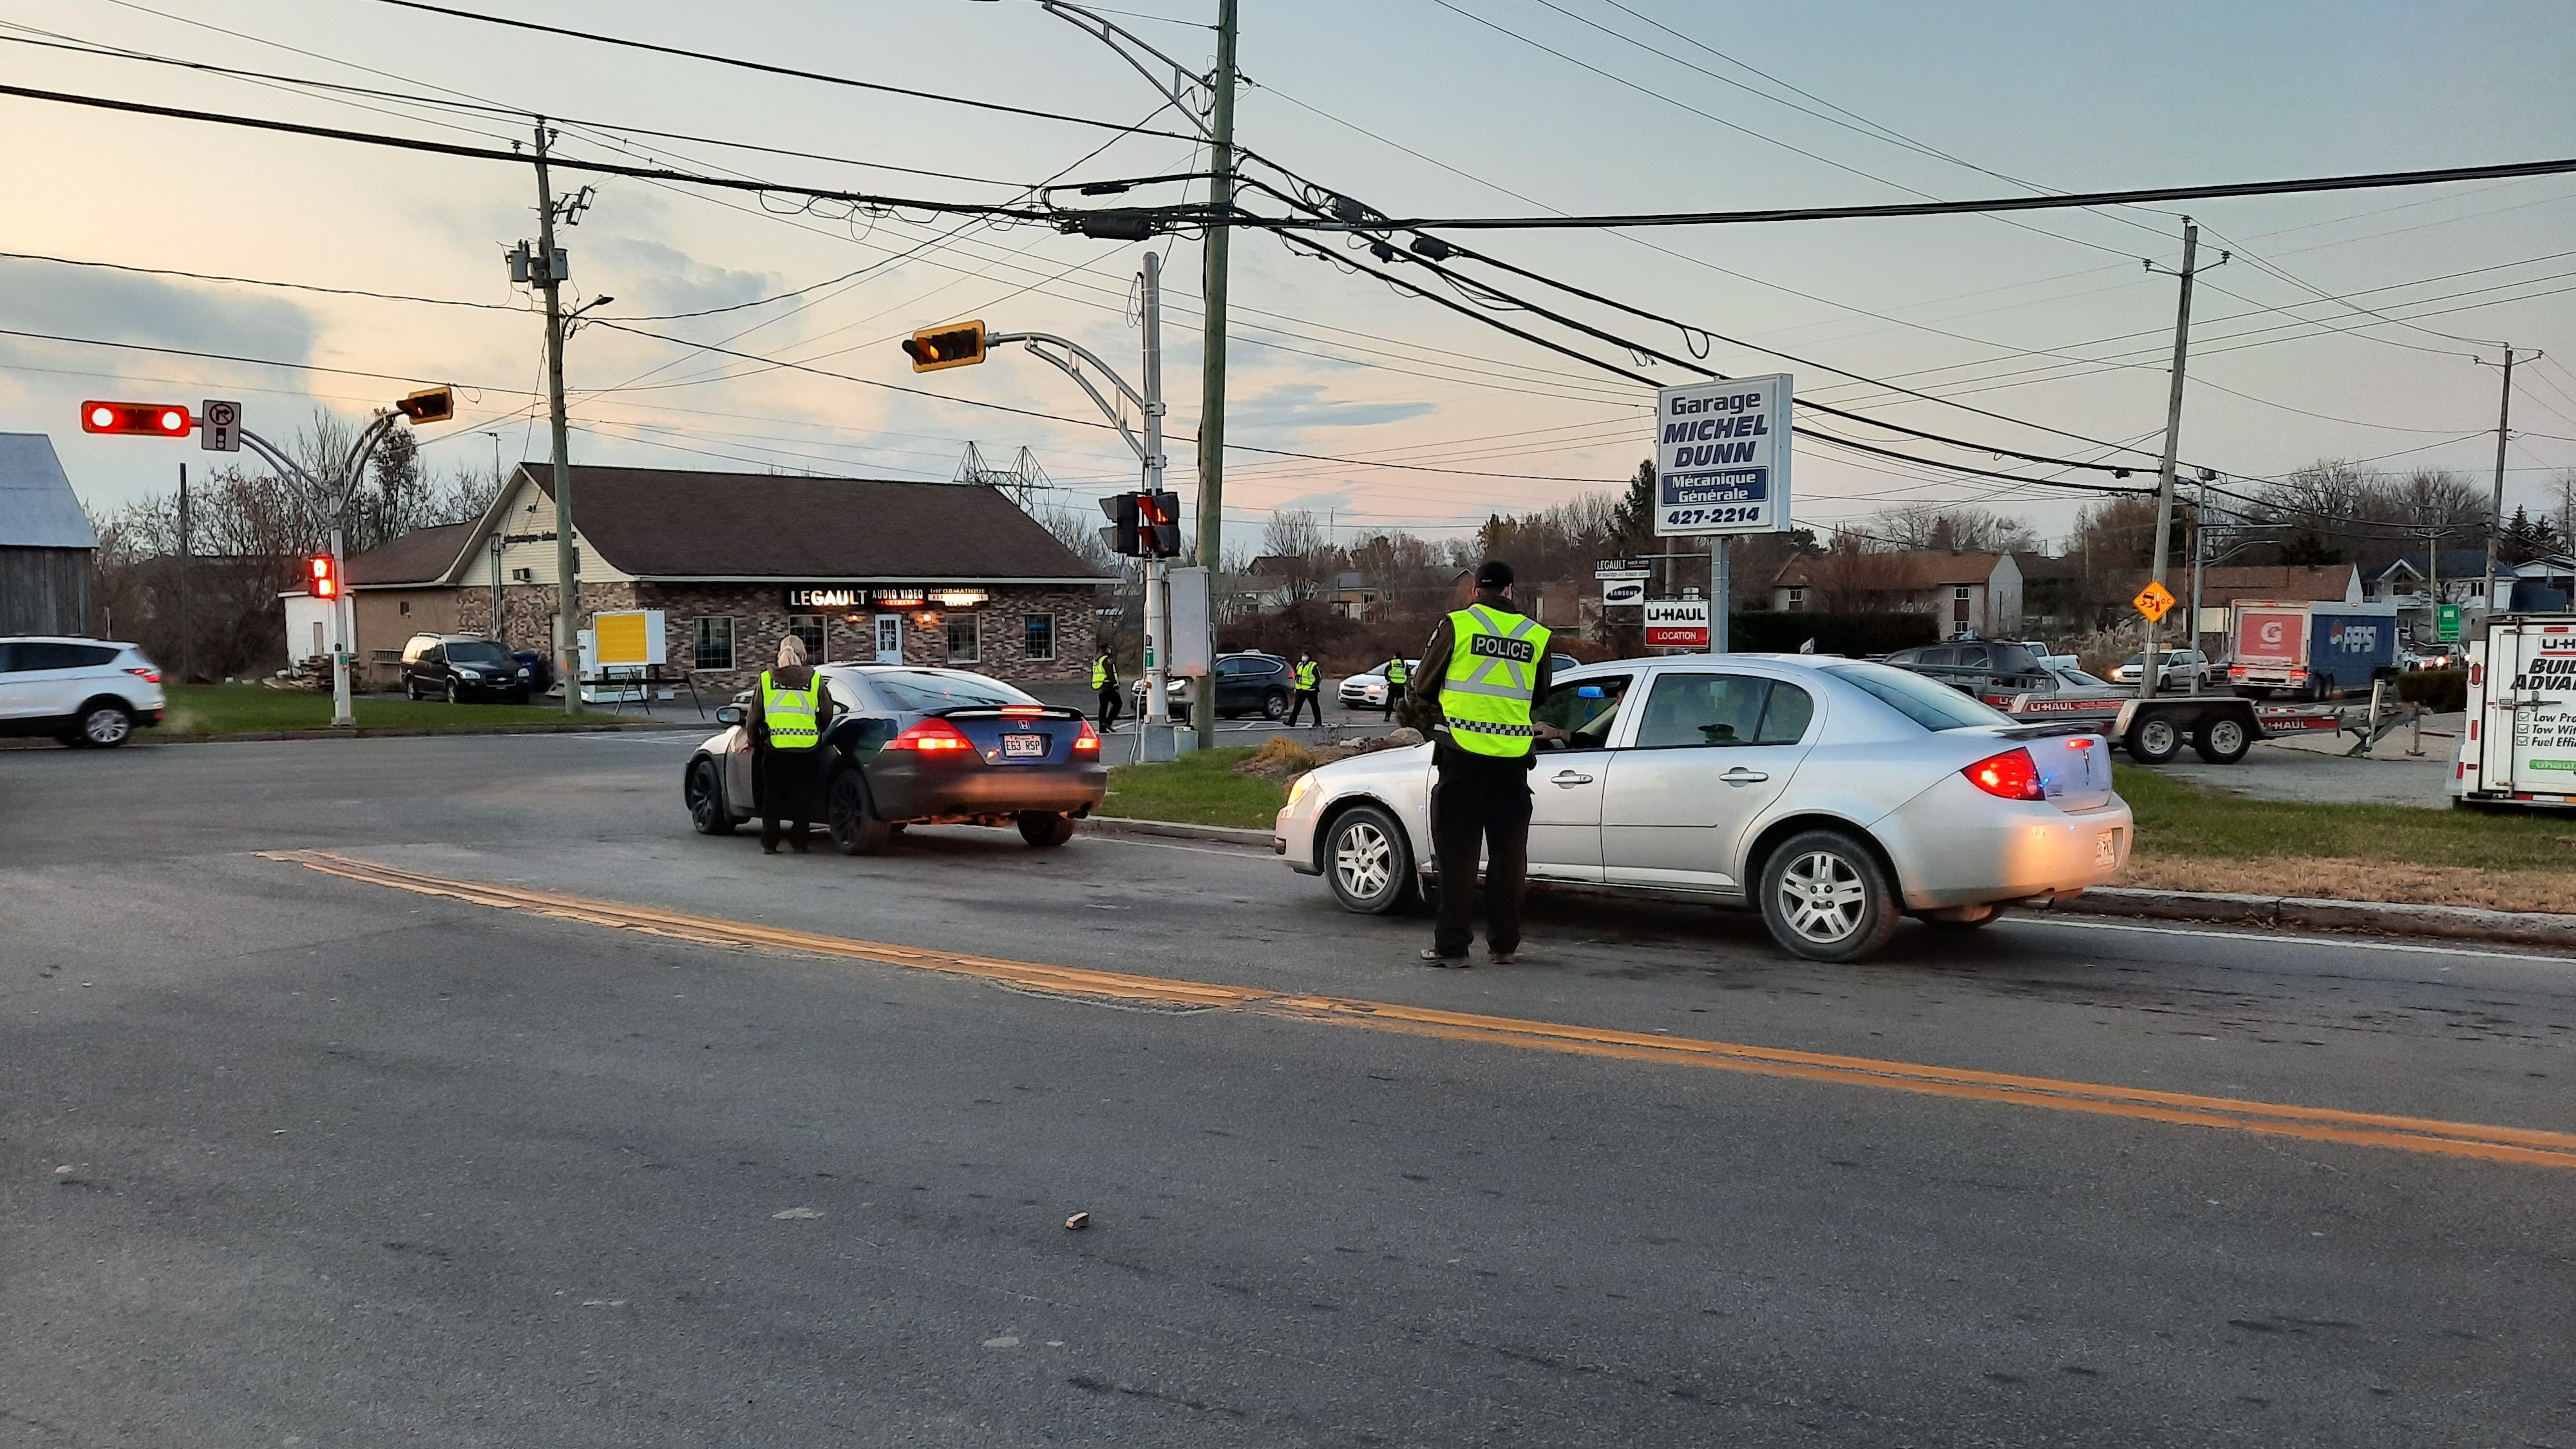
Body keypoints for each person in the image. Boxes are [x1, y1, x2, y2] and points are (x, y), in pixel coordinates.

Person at [1409, 560, 1555, 968]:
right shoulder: (1537, 634)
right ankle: (1504, 946)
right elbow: (1539, 694)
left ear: (1477, 591)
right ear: (1510, 590)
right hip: (1512, 763)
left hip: (1461, 756)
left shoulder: (1458, 625)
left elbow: (1423, 685)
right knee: (1509, 859)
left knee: (1458, 858)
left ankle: (1453, 948)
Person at [745, 635, 836, 854]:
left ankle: (770, 843)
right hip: (807, 748)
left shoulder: (766, 679)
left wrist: (752, 740)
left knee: (772, 797)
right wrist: (816, 730)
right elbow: (827, 712)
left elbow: (754, 715)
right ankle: (800, 842)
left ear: (779, 654)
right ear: (803, 655)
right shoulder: (815, 679)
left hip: (776, 747)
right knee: (802, 797)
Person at [1287, 650, 1324, 727]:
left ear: (1308, 657)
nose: (1303, 657)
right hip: (1300, 689)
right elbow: (1297, 676)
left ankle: (1318, 722)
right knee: (1297, 707)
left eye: (1305, 655)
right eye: (1303, 655)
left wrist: (1315, 687)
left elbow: (1318, 677)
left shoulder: (1312, 665)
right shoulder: (1299, 665)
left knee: (1315, 707)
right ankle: (1292, 722)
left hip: (1311, 690)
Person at [1092, 649, 1122, 732]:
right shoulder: (1107, 659)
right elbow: (1110, 673)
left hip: (1101, 687)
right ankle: (1108, 722)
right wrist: (1116, 685)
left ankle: (1102, 727)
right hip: (1108, 686)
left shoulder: (1097, 660)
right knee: (1118, 704)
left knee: (1103, 707)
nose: (1111, 649)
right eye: (1110, 648)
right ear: (1106, 650)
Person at [1380, 653, 1410, 721]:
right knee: (1400, 701)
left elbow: (1386, 671)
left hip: (1393, 683)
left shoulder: (1392, 662)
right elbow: (1408, 673)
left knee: (1390, 700)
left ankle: (1387, 716)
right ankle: (1401, 717)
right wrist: (1406, 681)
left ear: (1395, 656)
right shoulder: (1404, 663)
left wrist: (1388, 679)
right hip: (1401, 684)